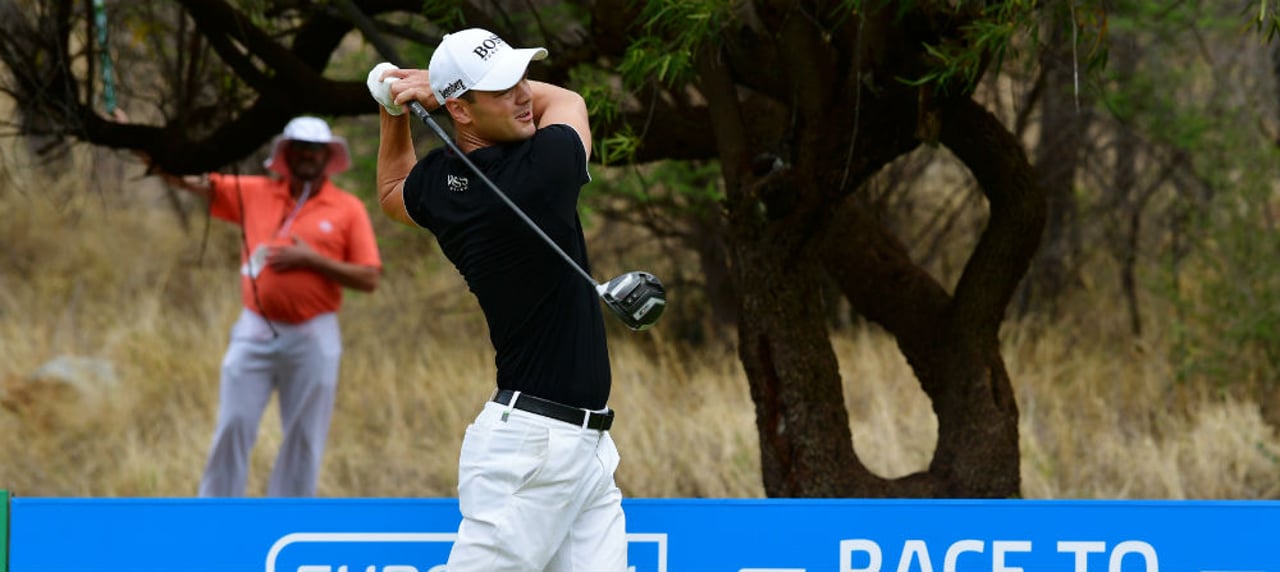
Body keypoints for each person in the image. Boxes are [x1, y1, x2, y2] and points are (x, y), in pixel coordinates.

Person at [369, 28, 626, 571]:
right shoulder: (545, 170)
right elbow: (568, 100)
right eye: (503, 89)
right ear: (460, 111)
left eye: (522, 78)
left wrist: (393, 111)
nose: (524, 94)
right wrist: (433, 89)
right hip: (534, 450)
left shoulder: (443, 184)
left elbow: (393, 192)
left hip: (576, 449)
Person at [139, 115, 382, 497]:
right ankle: (218, 512)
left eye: (315, 150)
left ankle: (289, 518)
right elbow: (187, 179)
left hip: (313, 332)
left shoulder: (347, 208)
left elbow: (369, 277)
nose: (308, 156)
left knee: (304, 434)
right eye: (300, 148)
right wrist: (137, 140)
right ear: (286, 154)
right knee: (234, 422)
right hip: (255, 328)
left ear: (327, 156)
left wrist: (312, 260)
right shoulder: (255, 192)